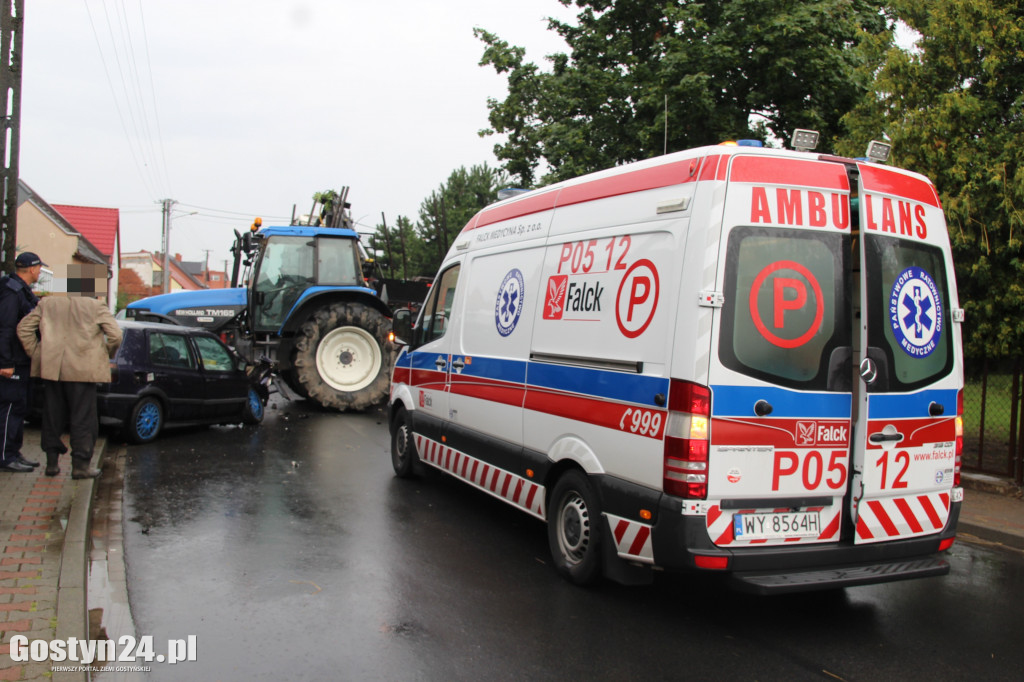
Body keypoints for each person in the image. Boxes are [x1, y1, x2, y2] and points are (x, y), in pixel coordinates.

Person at [17, 272, 121, 478]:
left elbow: (23, 329)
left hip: (53, 369)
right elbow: (116, 335)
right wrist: (104, 354)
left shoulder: (48, 304)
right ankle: (81, 467)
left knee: (52, 416)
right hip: (83, 371)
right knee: (83, 419)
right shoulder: (96, 307)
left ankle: (52, 464)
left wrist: (37, 353)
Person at [0, 252, 44, 472]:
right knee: (9, 408)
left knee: (19, 408)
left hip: (21, 360)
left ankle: (13, 452)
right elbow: (5, 328)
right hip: (12, 362)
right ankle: (5, 457)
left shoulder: (22, 291)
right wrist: (5, 362)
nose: (39, 272)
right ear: (32, 269)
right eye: (39, 269)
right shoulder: (11, 292)